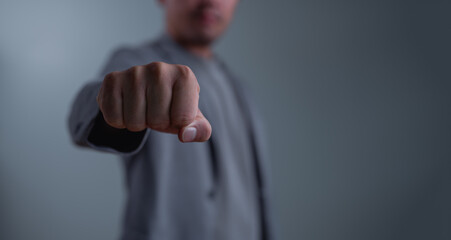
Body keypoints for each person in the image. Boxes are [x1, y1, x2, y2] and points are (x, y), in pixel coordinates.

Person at [68, 0, 276, 239]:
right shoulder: (138, 64)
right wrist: (116, 99)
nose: (210, 2)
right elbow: (84, 113)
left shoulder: (240, 89)